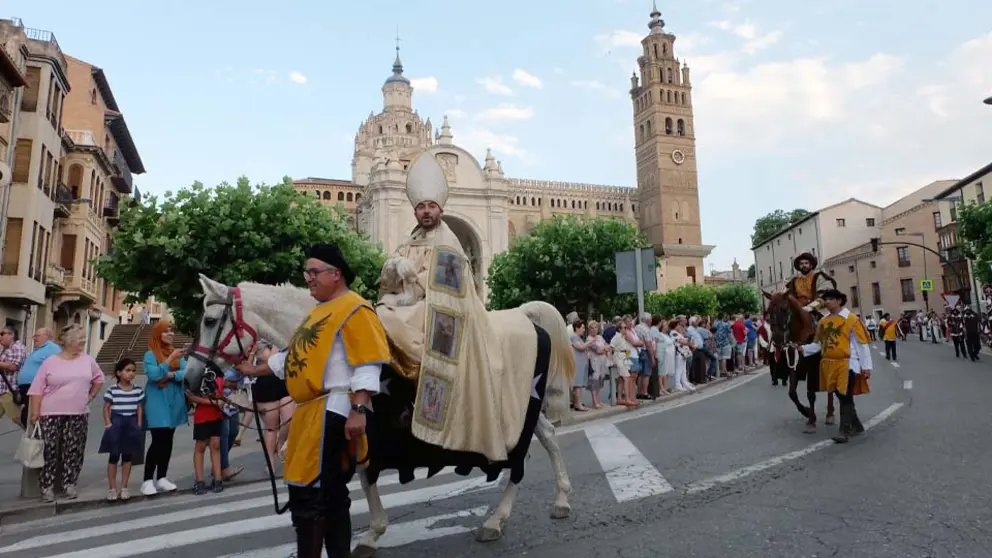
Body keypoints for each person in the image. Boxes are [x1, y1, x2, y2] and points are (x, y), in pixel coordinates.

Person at [236, 243, 391, 558]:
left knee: (312, 494)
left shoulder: (355, 308)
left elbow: (368, 361)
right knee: (328, 495)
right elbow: (294, 357)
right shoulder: (317, 313)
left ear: (336, 274)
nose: (308, 278)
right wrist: (253, 369)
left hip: (334, 409)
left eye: (314, 272)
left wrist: (359, 409)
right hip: (310, 413)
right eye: (306, 272)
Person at [373, 153, 521, 462]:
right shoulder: (410, 237)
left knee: (392, 319)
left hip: (438, 307)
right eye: (421, 207)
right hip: (406, 303)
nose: (426, 212)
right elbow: (387, 283)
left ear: (440, 208)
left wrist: (415, 284)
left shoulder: (448, 240)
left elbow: (452, 284)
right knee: (379, 314)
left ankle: (416, 382)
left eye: (431, 207)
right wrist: (393, 266)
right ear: (415, 210)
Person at [27, 325, 104, 501]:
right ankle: (47, 486)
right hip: (50, 412)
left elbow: (98, 379)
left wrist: (91, 396)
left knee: (74, 450)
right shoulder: (50, 361)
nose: (83, 342)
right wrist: (35, 413)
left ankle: (70, 484)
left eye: (84, 339)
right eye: (80, 339)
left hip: (78, 412)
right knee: (49, 450)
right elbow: (37, 389)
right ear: (69, 341)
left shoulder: (88, 360)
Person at [800, 289, 871, 444]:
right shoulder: (824, 321)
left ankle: (845, 430)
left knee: (844, 395)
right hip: (829, 364)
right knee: (842, 396)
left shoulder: (851, 319)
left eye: (831, 299)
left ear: (839, 301)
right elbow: (819, 345)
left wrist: (866, 366)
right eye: (826, 299)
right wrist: (802, 349)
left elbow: (862, 344)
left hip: (848, 363)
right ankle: (857, 425)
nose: (828, 302)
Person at [141, 320, 187, 496]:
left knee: (168, 440)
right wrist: (170, 360)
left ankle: (162, 477)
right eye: (166, 331)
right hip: (157, 401)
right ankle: (147, 481)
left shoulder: (178, 355)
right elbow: (153, 375)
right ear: (157, 334)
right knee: (158, 440)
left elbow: (185, 372)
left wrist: (168, 374)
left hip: (174, 401)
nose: (170, 334)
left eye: (172, 331)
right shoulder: (150, 354)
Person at [99, 358, 144, 501]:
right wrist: (108, 424)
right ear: (119, 373)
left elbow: (139, 407)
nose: (131, 374)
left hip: (131, 422)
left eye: (133, 371)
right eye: (127, 370)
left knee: (127, 456)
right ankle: (112, 488)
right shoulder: (112, 389)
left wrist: (139, 423)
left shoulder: (137, 389)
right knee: (113, 456)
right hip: (116, 422)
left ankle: (124, 486)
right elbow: (106, 407)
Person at [187, 375, 225, 495]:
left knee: (215, 446)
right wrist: (213, 402)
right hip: (202, 416)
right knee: (201, 446)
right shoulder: (198, 375)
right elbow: (191, 397)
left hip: (216, 415)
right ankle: (199, 480)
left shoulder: (219, 375)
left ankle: (218, 478)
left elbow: (222, 395)